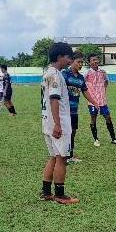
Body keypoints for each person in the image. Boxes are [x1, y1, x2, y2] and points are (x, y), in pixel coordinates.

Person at [39, 42, 79, 204]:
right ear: (60, 56)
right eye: (69, 57)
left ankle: (46, 192)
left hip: (46, 121)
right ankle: (60, 195)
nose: (70, 61)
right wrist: (58, 124)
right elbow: (54, 99)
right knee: (62, 158)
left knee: (54, 157)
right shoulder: (55, 75)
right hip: (58, 123)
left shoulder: (47, 73)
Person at [62, 51, 96, 164]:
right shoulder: (64, 74)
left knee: (73, 132)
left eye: (82, 62)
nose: (81, 64)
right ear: (72, 61)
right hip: (64, 110)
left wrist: (94, 102)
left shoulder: (81, 77)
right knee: (65, 133)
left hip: (74, 110)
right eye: (78, 62)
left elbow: (85, 91)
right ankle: (62, 155)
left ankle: (70, 155)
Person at [84, 54, 116, 146]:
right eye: (93, 60)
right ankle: (96, 139)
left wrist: (102, 91)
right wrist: (91, 93)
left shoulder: (103, 72)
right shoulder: (87, 73)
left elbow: (106, 81)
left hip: (102, 101)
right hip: (92, 102)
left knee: (108, 118)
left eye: (96, 59)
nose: (95, 61)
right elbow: (82, 85)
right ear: (89, 62)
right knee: (93, 118)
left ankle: (113, 139)